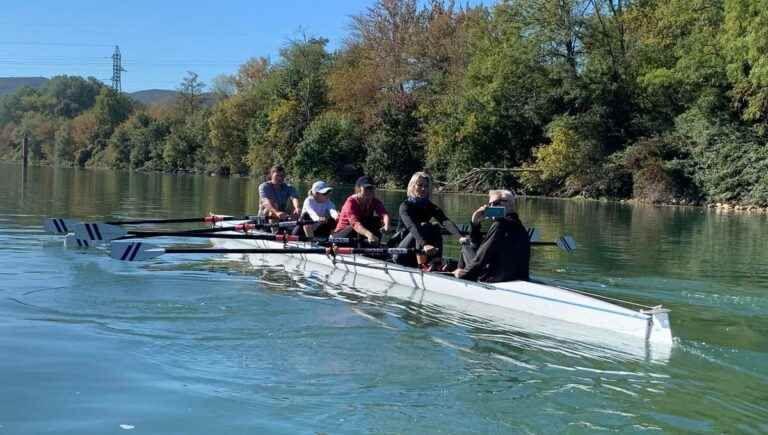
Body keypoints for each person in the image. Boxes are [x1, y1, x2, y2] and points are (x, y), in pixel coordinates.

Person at [453, 190, 530, 283]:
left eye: (493, 204)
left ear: (507, 204)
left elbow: (481, 257)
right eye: (489, 205)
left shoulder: (500, 225)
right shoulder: (521, 228)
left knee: (466, 245)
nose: (489, 208)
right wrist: (475, 224)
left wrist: (463, 274)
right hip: (518, 277)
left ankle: (459, 279)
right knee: (469, 243)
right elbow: (480, 247)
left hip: (494, 279)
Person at [394, 172, 464, 270]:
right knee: (423, 226)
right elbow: (412, 227)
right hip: (401, 253)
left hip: (419, 249)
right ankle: (422, 265)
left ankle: (436, 261)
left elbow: (445, 221)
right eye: (420, 185)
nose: (423, 189)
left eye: (426, 186)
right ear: (412, 186)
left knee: (435, 226)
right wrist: (425, 244)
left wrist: (460, 237)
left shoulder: (430, 206)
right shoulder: (405, 206)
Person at [332, 175, 392, 244]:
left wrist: (387, 225)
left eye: (371, 189)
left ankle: (374, 245)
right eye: (366, 189)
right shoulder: (350, 202)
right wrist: (369, 234)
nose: (369, 192)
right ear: (358, 189)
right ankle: (368, 243)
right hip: (340, 235)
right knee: (358, 225)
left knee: (377, 221)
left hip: (358, 233)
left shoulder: (374, 201)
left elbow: (384, 214)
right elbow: (355, 224)